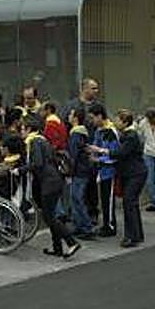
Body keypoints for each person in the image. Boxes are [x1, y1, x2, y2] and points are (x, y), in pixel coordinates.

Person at [23, 117, 81, 259]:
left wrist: (21, 169)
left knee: (49, 217)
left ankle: (71, 242)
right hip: (55, 181)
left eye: (23, 129)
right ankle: (57, 248)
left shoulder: (35, 141)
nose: (21, 132)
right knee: (51, 216)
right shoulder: (43, 140)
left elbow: (38, 163)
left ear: (29, 129)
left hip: (49, 183)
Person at [109, 110, 146, 248]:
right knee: (132, 204)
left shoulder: (131, 136)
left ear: (125, 122)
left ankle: (131, 236)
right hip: (132, 173)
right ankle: (137, 234)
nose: (115, 122)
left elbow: (121, 153)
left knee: (129, 203)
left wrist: (104, 151)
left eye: (117, 120)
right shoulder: (127, 134)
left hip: (135, 174)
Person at [87, 103, 118, 237]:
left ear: (100, 116)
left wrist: (99, 159)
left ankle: (110, 226)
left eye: (93, 118)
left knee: (108, 199)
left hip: (110, 171)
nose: (92, 121)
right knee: (104, 199)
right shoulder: (99, 130)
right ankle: (105, 223)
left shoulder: (111, 131)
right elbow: (96, 145)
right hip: (102, 171)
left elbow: (114, 154)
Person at [66, 107, 95, 239]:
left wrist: (70, 172)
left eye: (71, 114)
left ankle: (86, 227)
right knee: (75, 199)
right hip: (82, 170)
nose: (69, 116)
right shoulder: (81, 133)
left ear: (76, 118)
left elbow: (74, 156)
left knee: (77, 199)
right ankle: (79, 225)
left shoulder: (75, 134)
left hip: (79, 171)